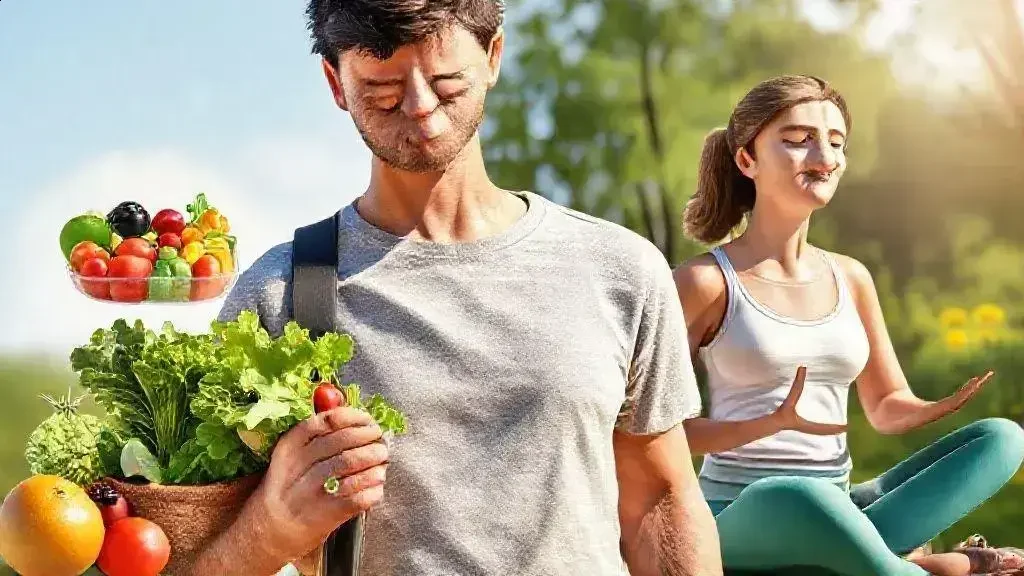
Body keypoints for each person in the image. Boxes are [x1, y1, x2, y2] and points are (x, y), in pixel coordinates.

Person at [188, 1, 723, 575]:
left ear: (493, 56)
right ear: (336, 83)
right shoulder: (281, 295)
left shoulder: (620, 270)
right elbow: (192, 557)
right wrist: (273, 527)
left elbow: (659, 502)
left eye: (446, 83)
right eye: (383, 91)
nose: (420, 107)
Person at [673, 74, 1024, 576]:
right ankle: (933, 568)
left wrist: (932, 407)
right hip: (740, 511)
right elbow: (649, 431)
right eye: (799, 140)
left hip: (843, 504)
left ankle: (868, 556)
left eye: (836, 143)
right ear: (746, 159)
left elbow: (884, 404)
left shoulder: (851, 277)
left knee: (1003, 439)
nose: (825, 158)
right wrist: (763, 426)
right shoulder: (705, 282)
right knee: (796, 496)